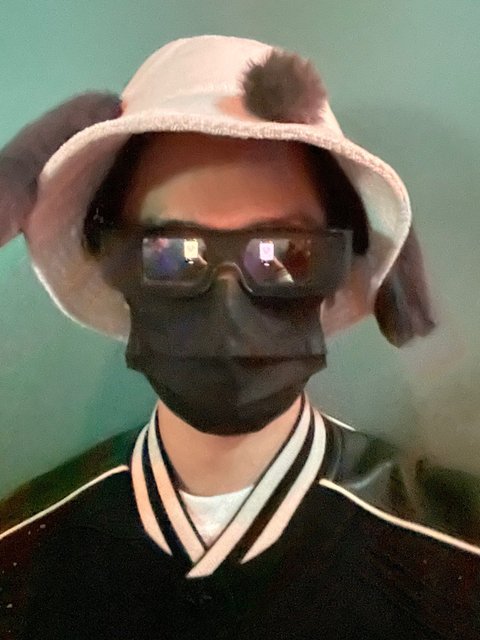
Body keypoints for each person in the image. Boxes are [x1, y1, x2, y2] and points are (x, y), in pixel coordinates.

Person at [1, 35, 479, 640]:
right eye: (171, 253)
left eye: (287, 252)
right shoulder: (19, 559)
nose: (228, 307)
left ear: (340, 265)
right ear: (112, 262)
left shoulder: (456, 558)